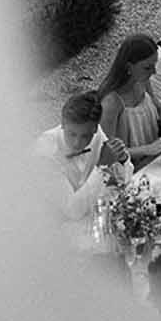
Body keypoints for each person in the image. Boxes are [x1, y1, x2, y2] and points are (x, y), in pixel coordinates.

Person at [32, 90, 130, 239]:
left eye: (85, 136)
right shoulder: (44, 151)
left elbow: (122, 183)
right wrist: (101, 168)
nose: (78, 142)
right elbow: (72, 210)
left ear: (95, 128)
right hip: (51, 232)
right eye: (72, 134)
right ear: (63, 124)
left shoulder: (97, 136)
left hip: (89, 224)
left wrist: (122, 161)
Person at [96, 35, 161, 165]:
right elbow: (106, 154)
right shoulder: (110, 103)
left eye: (154, 65)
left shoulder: (142, 81)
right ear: (129, 67)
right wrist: (147, 150)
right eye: (147, 67)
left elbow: (159, 111)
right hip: (129, 172)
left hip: (155, 161)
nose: (154, 72)